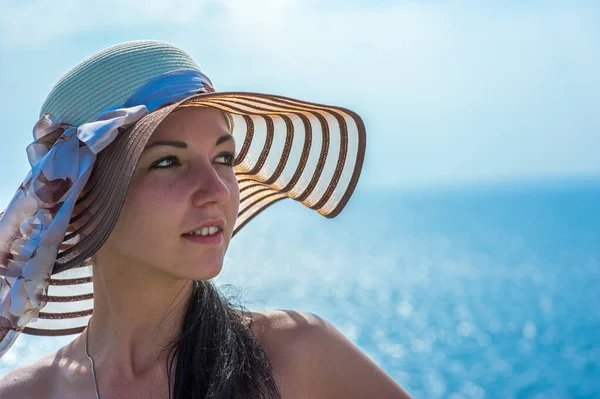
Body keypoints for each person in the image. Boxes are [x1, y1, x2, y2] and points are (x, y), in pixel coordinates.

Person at [0, 40, 411, 398]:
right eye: (167, 161)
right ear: (81, 201)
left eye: (224, 158)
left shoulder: (299, 355)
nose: (217, 189)